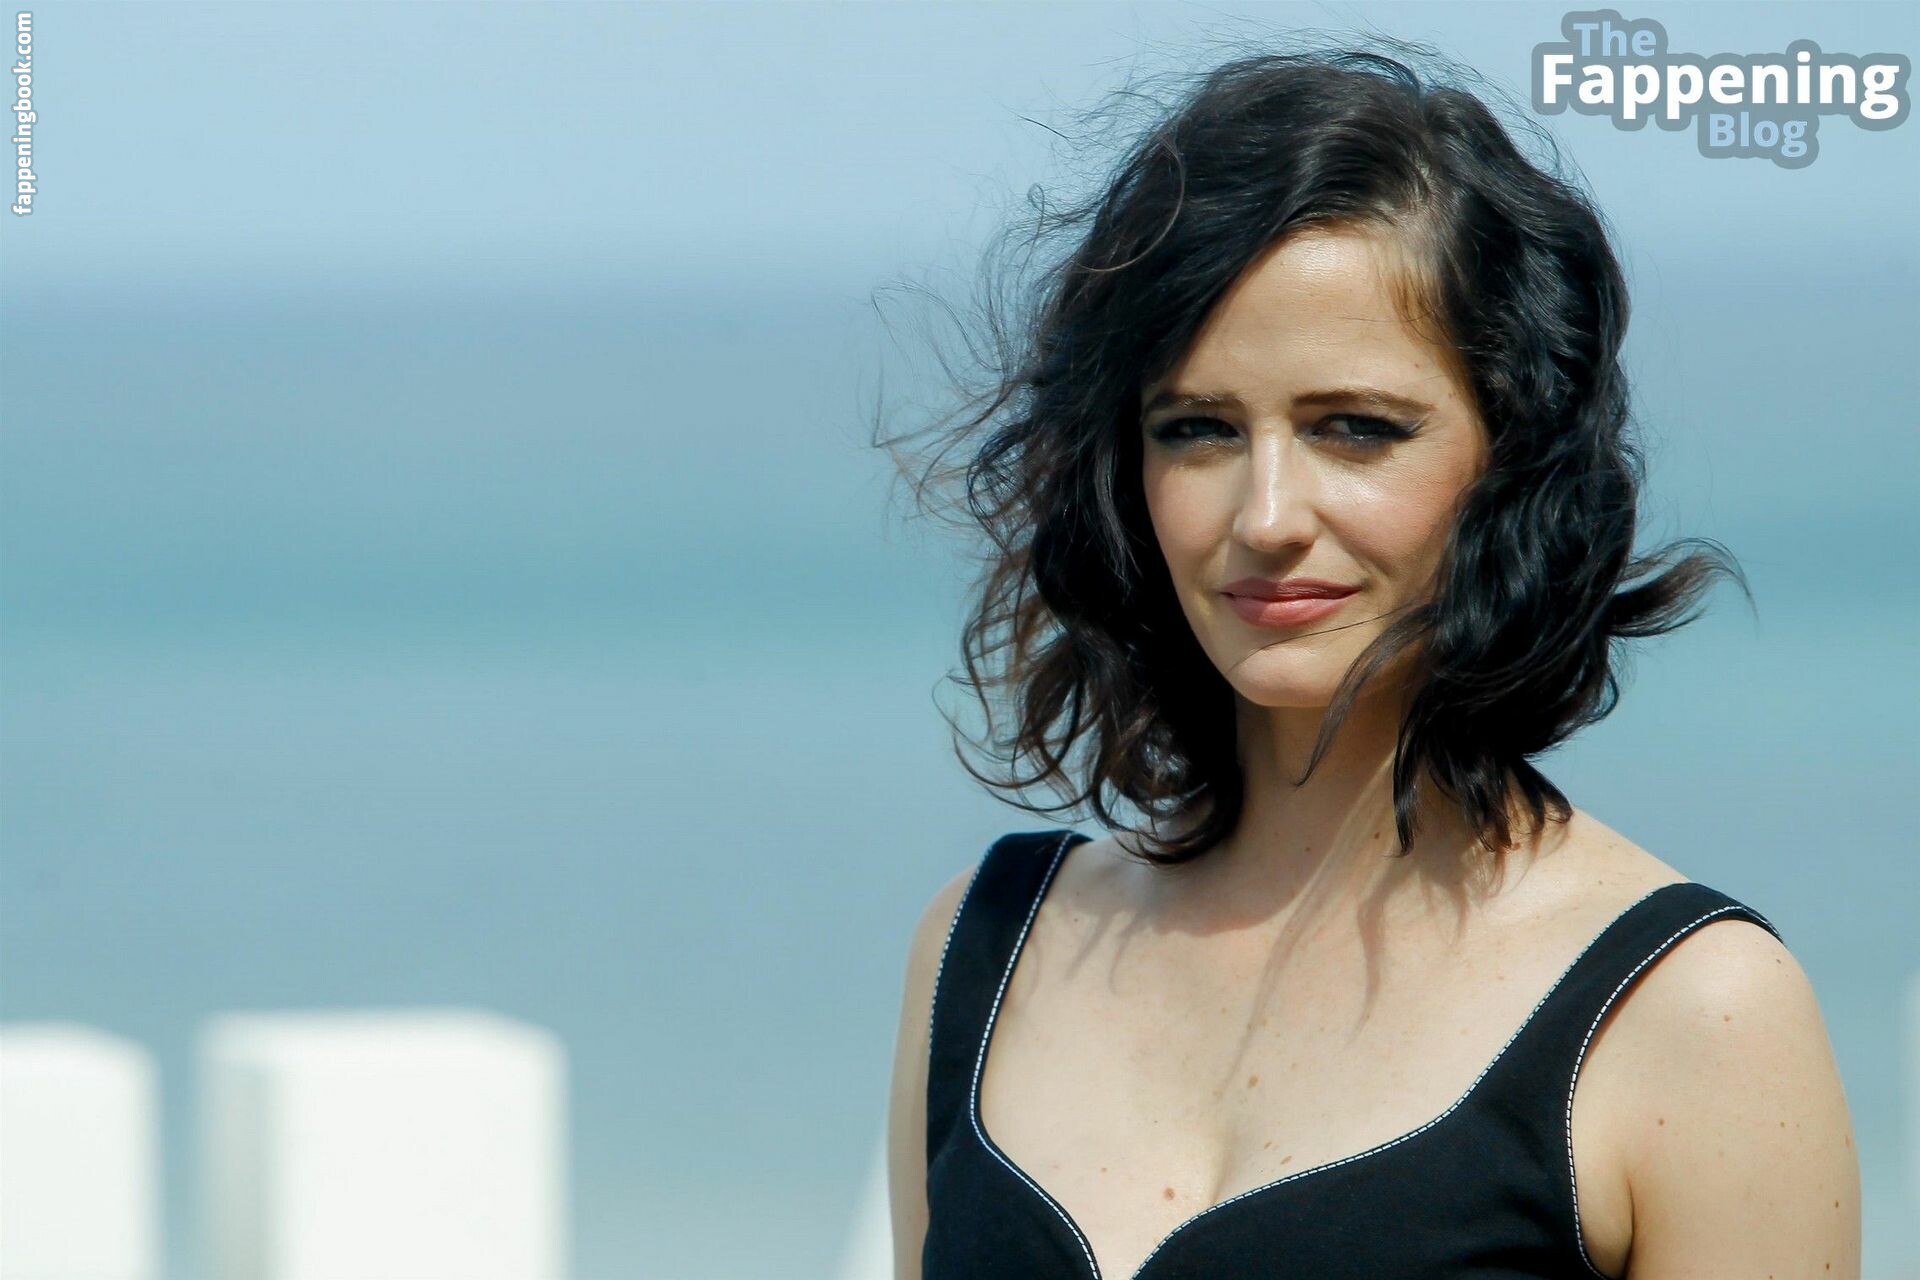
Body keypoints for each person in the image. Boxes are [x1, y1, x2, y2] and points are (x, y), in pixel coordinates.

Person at [877, 43, 1860, 1280]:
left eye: (1354, 428)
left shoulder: (1691, 1011)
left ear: (1512, 458)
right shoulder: (982, 950)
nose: (1266, 515)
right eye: (1197, 429)